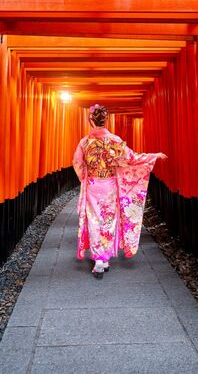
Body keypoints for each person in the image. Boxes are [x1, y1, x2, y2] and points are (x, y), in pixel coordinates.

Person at [72, 104, 167, 279]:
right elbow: (132, 158)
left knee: (94, 220)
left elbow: (77, 163)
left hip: (93, 185)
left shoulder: (84, 142)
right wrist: (153, 155)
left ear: (90, 120)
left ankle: (98, 259)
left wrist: (85, 177)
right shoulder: (115, 140)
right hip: (110, 186)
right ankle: (105, 258)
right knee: (109, 219)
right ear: (105, 120)